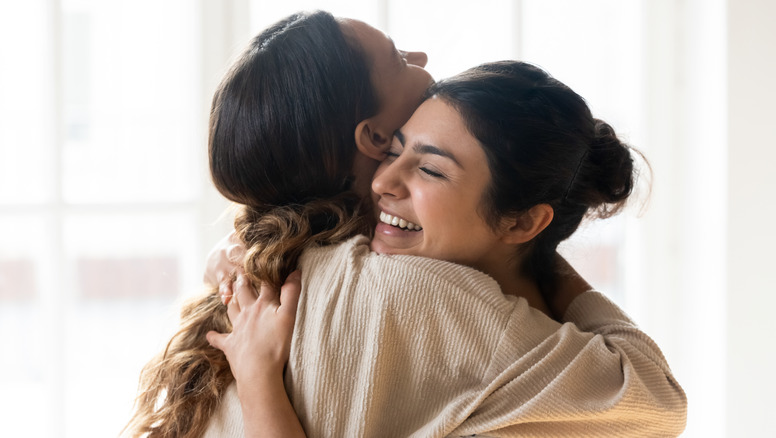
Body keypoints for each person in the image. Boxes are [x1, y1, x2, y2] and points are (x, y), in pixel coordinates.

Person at [204, 62, 687, 436]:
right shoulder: (427, 297)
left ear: (520, 219)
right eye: (393, 151)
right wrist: (543, 257)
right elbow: (658, 400)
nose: (384, 181)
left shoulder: (311, 261)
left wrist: (256, 375)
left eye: (430, 170)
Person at [123, 10, 431, 438]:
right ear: (375, 138)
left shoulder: (261, 267)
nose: (423, 57)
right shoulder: (393, 290)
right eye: (399, 59)